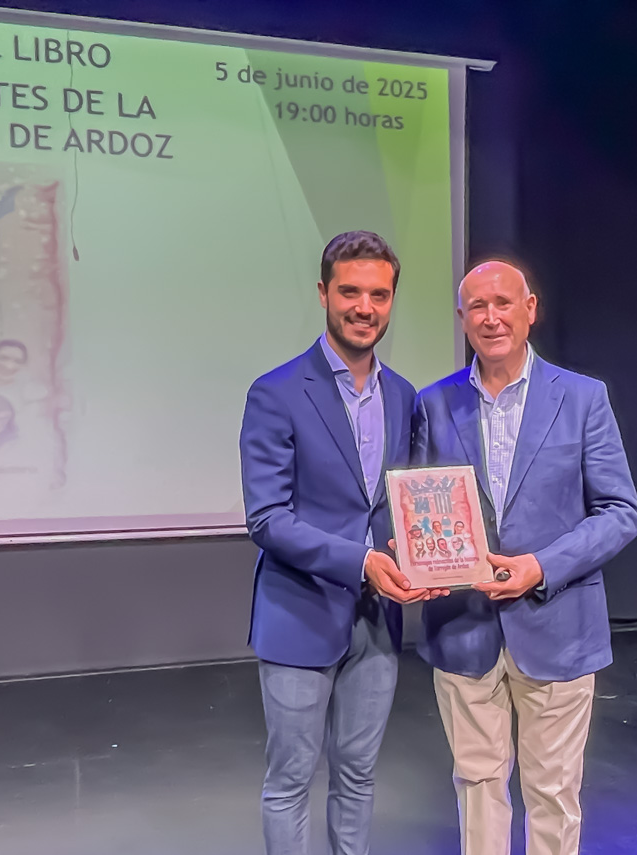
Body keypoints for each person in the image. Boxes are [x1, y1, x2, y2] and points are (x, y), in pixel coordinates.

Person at [412, 261, 637, 855]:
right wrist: (414, 554)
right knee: (477, 784)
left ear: (529, 308)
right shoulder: (432, 404)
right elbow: (414, 505)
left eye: (503, 303)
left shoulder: (584, 398)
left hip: (558, 625)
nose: (491, 318)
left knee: (554, 792)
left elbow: (620, 511)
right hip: (463, 627)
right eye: (477, 308)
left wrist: (540, 566)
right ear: (462, 319)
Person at [239, 230, 447, 855]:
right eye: (350, 292)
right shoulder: (275, 392)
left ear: (391, 300)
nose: (365, 307)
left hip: (378, 622)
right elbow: (268, 518)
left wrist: (427, 555)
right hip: (299, 613)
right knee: (291, 781)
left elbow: (402, 505)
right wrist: (363, 562)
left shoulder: (404, 395)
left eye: (379, 294)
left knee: (357, 777)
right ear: (324, 293)